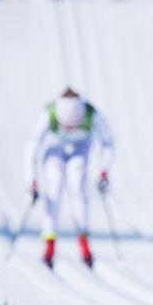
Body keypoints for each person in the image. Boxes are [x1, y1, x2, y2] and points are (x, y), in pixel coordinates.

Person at [24, 87, 113, 268]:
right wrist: (31, 181)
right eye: (66, 125)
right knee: (54, 190)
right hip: (54, 150)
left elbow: (108, 142)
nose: (70, 129)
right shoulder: (48, 114)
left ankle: (84, 245)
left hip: (80, 150)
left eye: (74, 124)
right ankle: (49, 247)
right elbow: (31, 147)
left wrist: (104, 171)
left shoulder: (91, 114)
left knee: (78, 189)